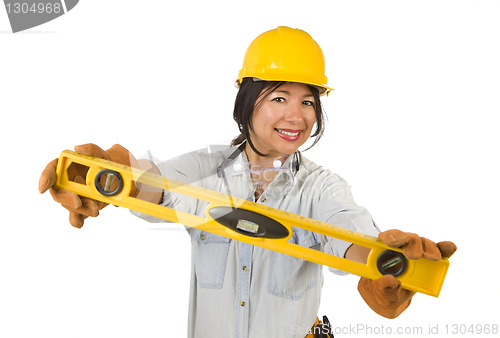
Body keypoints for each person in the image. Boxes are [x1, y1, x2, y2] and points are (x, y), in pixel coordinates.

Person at [39, 26, 456, 338]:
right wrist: (111, 175)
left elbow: (349, 232)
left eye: (307, 101)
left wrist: (384, 262)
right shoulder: (207, 168)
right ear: (247, 101)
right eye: (279, 98)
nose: (297, 117)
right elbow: (156, 187)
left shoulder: (321, 188)